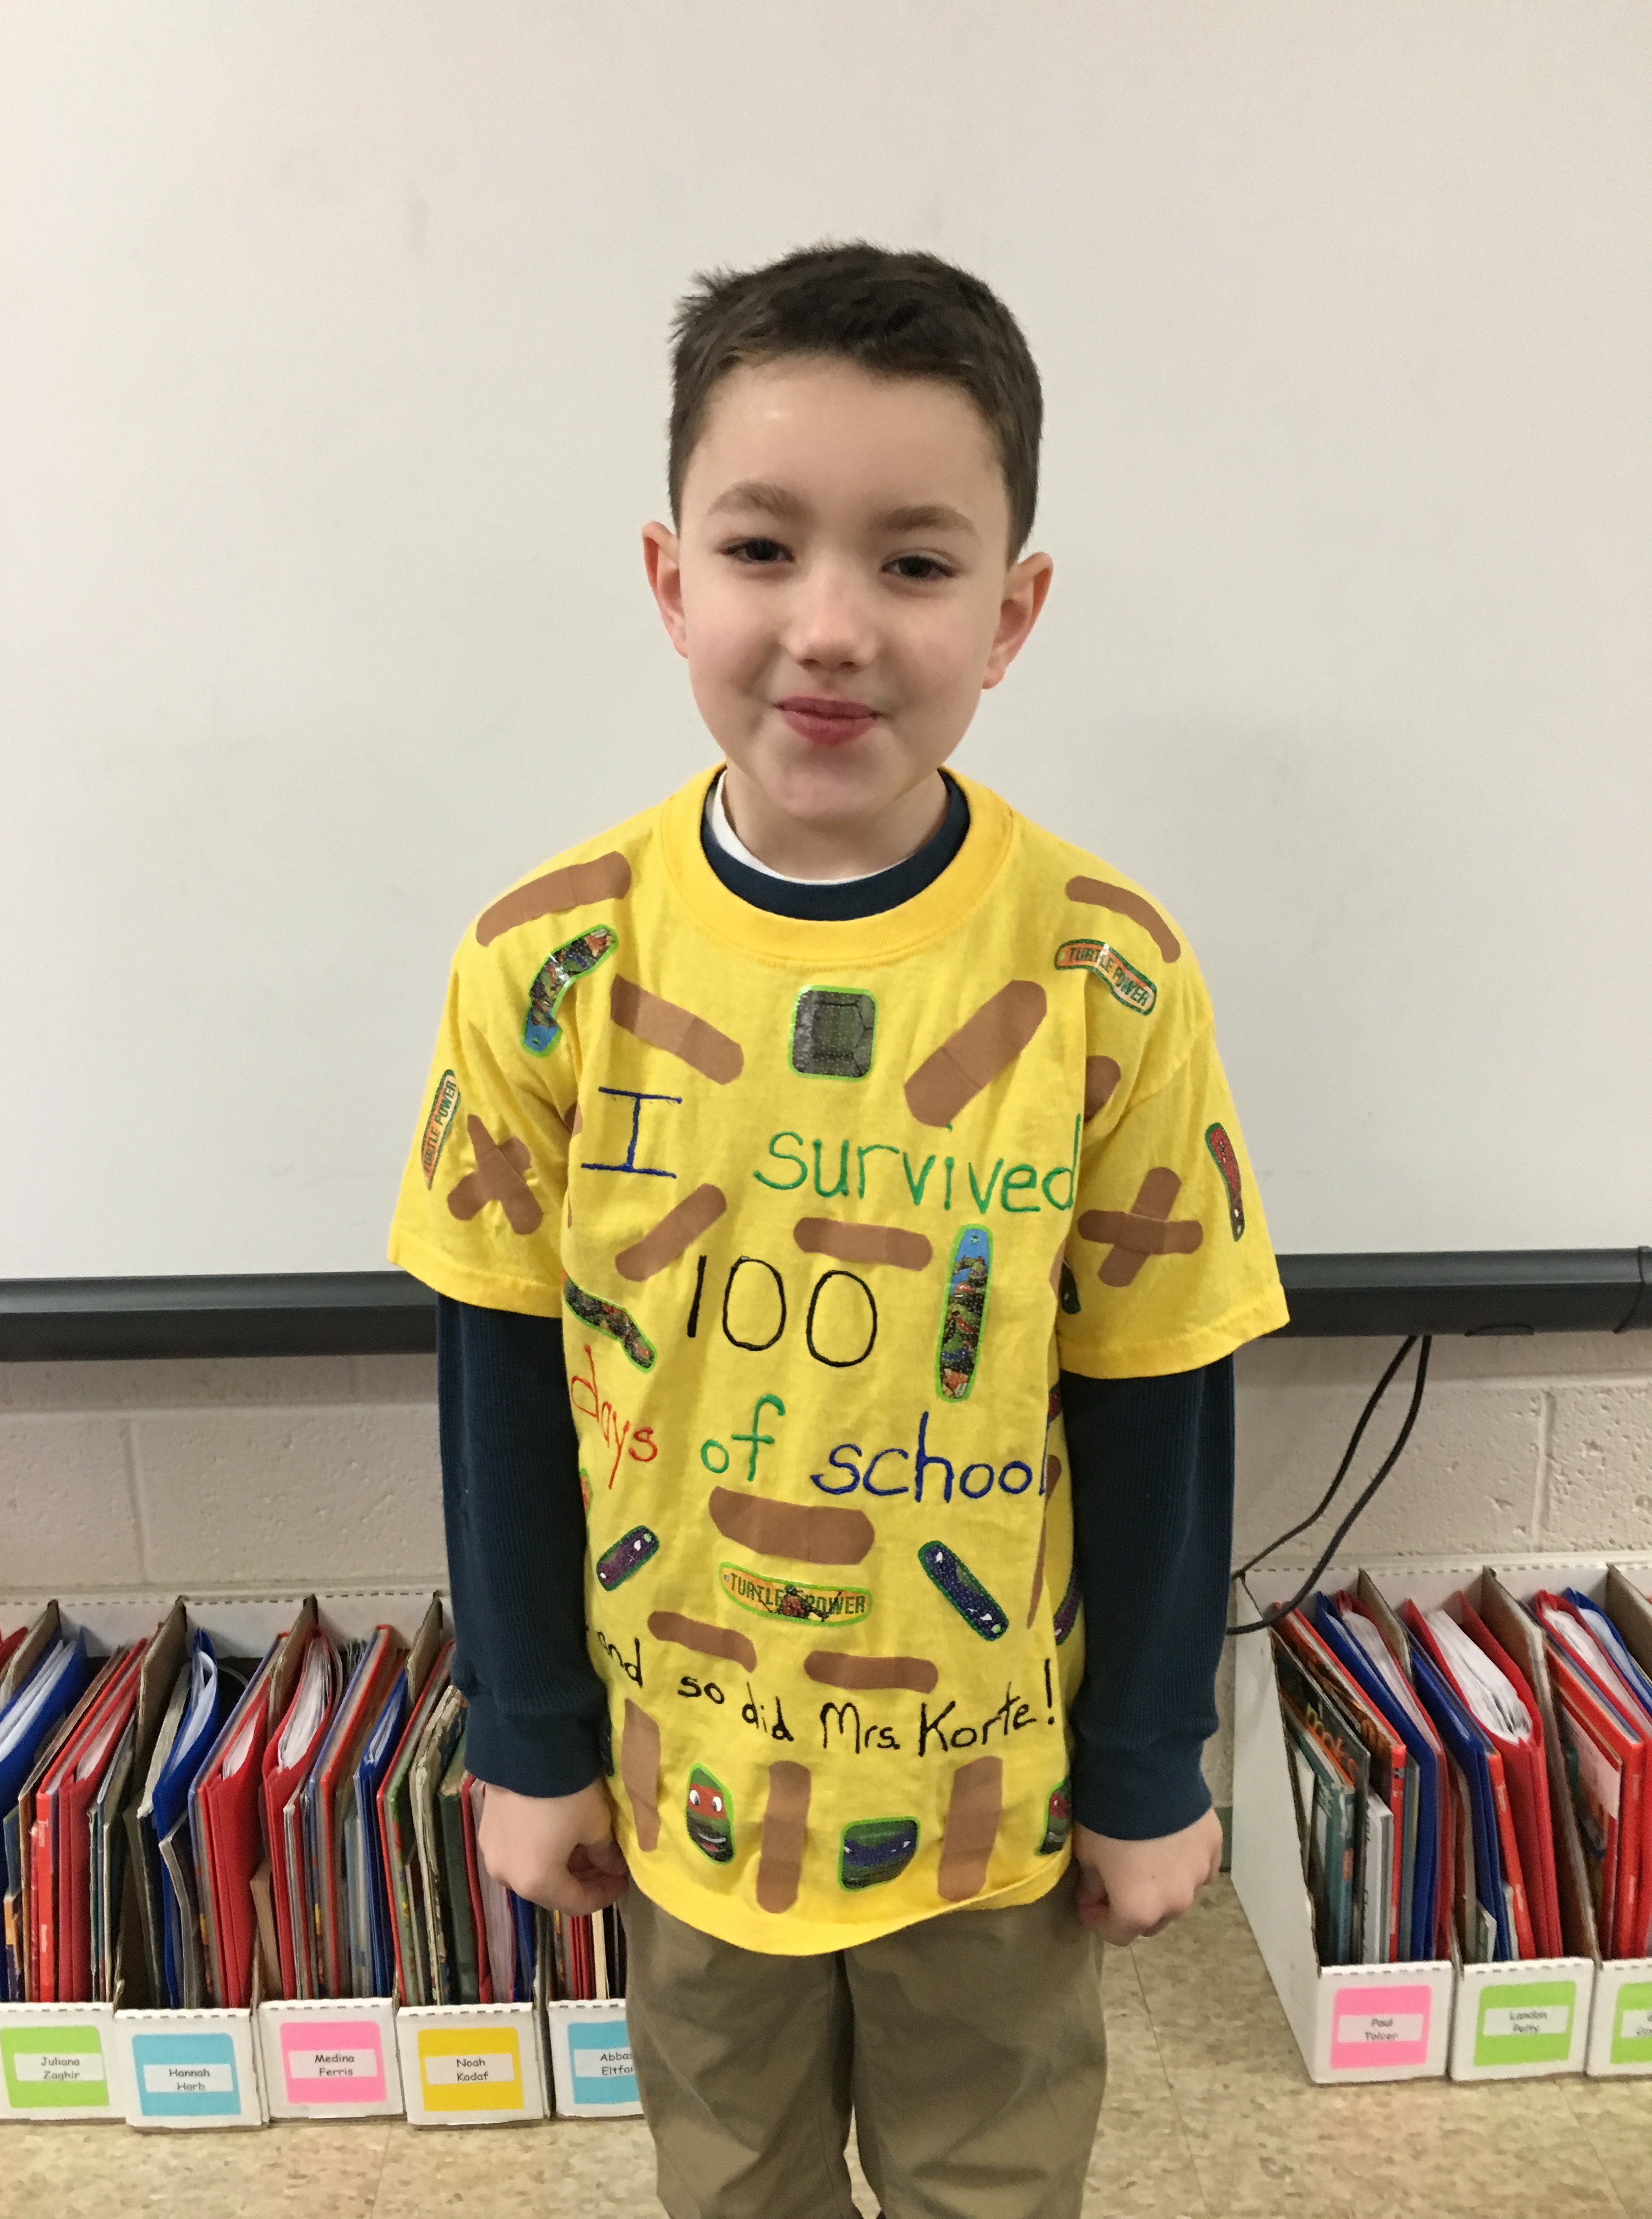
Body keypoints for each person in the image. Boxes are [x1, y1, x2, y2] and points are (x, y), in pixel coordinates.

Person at [389, 241, 1288, 2219]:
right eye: (761, 547)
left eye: (914, 560)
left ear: (1012, 610)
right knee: (732, 2182)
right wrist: (529, 1732)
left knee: (995, 2179)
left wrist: (1152, 1760)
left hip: (990, 1799)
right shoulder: (549, 965)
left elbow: (1160, 1395)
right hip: (688, 1783)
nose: (829, 626)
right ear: (669, 581)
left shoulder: (1104, 975)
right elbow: (500, 1380)